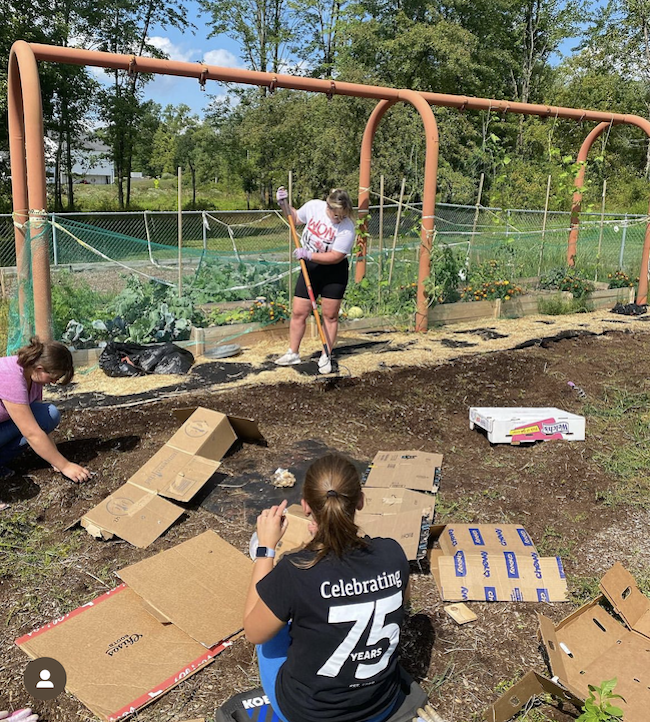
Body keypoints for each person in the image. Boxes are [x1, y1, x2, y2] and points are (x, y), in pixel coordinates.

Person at [244, 454, 410, 722]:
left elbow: (253, 632)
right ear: (360, 500)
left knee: (269, 626)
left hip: (311, 714)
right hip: (379, 706)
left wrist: (265, 550)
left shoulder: (296, 571)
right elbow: (399, 599)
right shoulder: (393, 552)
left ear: (306, 505)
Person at [0, 337, 91, 507]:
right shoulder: (10, 375)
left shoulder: (32, 377)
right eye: (54, 377)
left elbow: (37, 423)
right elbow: (31, 432)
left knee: (48, 414)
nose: (55, 382)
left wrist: (54, 459)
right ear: (40, 368)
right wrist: (65, 466)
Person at [274, 187, 356, 374]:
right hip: (309, 269)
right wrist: (283, 204)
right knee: (299, 311)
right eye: (336, 215)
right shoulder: (314, 207)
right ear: (328, 207)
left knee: (329, 315)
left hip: (334, 272)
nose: (339, 219)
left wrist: (309, 254)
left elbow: (336, 256)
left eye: (342, 215)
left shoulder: (347, 227)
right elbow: (293, 218)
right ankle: (293, 352)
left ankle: (326, 354)